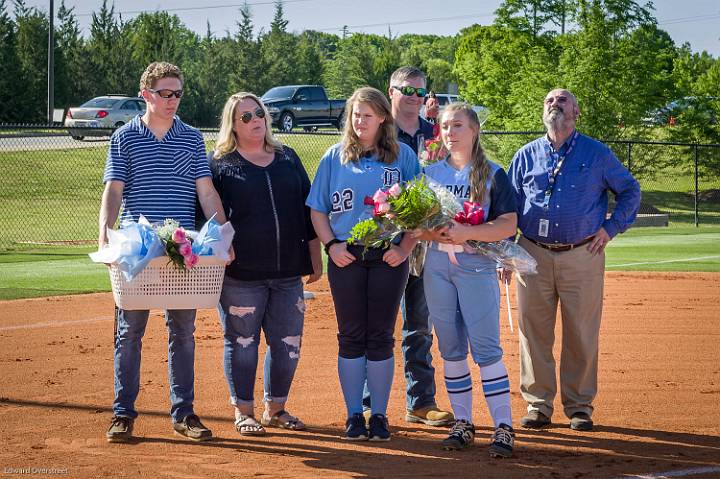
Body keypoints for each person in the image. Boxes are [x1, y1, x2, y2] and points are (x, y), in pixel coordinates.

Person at [100, 62, 230, 443]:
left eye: (178, 93)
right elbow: (113, 191)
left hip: (182, 248)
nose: (173, 100)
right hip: (137, 248)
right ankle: (122, 414)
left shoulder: (191, 138)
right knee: (129, 332)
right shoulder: (124, 138)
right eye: (165, 93)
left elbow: (205, 191)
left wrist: (222, 235)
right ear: (146, 95)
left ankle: (184, 413)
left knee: (183, 332)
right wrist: (105, 238)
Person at [507, 88, 641, 432]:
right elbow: (507, 207)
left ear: (576, 112)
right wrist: (506, 252)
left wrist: (610, 229)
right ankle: (538, 405)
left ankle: (579, 406)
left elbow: (630, 190)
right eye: (549, 100)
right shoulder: (525, 155)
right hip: (531, 252)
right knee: (532, 333)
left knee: (581, 332)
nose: (555, 104)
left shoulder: (596, 154)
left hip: (582, 253)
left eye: (563, 100)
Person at [306, 87, 419, 441]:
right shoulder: (333, 156)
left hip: (388, 255)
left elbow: (420, 210)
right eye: (355, 114)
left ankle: (380, 415)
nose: (359, 121)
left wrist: (404, 248)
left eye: (367, 115)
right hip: (347, 256)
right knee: (351, 336)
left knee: (381, 337)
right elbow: (317, 209)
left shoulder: (402, 157)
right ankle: (355, 413)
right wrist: (331, 245)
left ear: (383, 117)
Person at [209, 92, 322, 436]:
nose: (255, 119)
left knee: (288, 343)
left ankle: (276, 409)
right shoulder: (220, 165)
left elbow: (309, 209)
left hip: (288, 273)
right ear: (233, 124)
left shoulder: (287, 156)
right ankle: (244, 411)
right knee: (242, 344)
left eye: (258, 113)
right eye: (245, 116)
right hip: (240, 276)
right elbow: (211, 219)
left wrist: (316, 259)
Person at [416, 103, 518, 457]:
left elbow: (508, 224)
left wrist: (467, 231)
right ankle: (463, 422)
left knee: (486, 348)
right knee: (451, 349)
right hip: (437, 268)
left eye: (458, 125)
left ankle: (503, 426)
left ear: (474, 130)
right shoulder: (429, 174)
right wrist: (434, 233)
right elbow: (415, 228)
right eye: (445, 126)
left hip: (476, 267)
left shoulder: (492, 173)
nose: (450, 132)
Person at [378, 66, 454, 427]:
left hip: (425, 243)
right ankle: (370, 404)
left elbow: (454, 180)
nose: (412, 97)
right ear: (389, 91)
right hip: (383, 243)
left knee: (419, 326)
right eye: (405, 90)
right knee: (374, 328)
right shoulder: (376, 134)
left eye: (419, 92)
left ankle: (421, 402)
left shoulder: (435, 135)